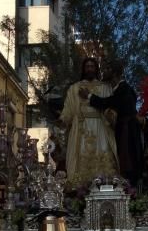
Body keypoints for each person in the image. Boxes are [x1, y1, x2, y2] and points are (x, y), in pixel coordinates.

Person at [82, 60, 143, 186]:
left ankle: (131, 190)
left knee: (128, 161)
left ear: (114, 73)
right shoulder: (118, 89)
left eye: (107, 69)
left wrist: (89, 96)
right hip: (123, 129)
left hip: (128, 131)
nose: (104, 72)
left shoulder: (124, 89)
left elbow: (108, 102)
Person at [59, 57, 119, 185]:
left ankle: (105, 184)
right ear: (83, 69)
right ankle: (80, 188)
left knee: (103, 153)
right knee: (80, 157)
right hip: (81, 127)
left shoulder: (105, 87)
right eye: (87, 66)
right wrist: (63, 119)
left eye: (92, 66)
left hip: (101, 127)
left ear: (96, 69)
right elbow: (68, 108)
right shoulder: (74, 88)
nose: (90, 69)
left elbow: (110, 106)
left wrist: (111, 115)